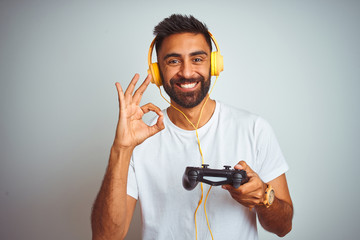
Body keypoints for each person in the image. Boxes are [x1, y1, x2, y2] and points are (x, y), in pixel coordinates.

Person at [91, 14, 293, 240]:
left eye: (197, 59)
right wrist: (121, 149)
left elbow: (283, 227)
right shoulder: (137, 141)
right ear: (157, 73)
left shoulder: (255, 129)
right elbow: (105, 237)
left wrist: (264, 197)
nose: (187, 72)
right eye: (173, 61)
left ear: (214, 65)